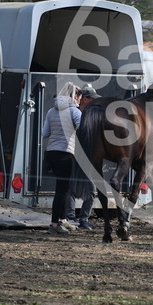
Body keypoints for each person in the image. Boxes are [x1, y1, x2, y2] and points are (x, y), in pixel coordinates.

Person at [42, 82, 82, 235]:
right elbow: (83, 129)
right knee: (62, 190)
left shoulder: (51, 111)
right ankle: (54, 224)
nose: (80, 100)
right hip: (65, 153)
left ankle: (63, 220)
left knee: (65, 188)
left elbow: (45, 133)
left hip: (51, 153)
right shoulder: (75, 111)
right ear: (75, 96)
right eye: (79, 97)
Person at [65, 83, 100, 229]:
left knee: (91, 190)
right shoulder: (76, 113)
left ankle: (83, 219)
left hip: (87, 157)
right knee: (70, 188)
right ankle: (71, 217)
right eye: (92, 99)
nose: (94, 102)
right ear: (84, 99)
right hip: (74, 154)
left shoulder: (90, 114)